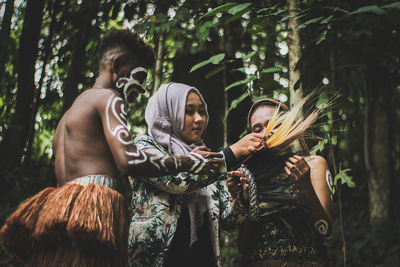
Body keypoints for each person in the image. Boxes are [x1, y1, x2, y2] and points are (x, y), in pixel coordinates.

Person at [0, 29, 221, 267]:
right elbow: (127, 160)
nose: (142, 89)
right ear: (118, 65)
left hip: (63, 210)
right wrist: (187, 161)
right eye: (140, 77)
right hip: (94, 212)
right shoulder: (109, 99)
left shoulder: (70, 113)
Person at [128, 82, 263, 267]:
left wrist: (239, 195)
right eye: (189, 111)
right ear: (168, 113)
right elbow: (176, 182)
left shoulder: (207, 158)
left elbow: (229, 222)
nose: (199, 119)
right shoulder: (143, 147)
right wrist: (232, 153)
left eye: (202, 111)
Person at [228, 98, 333, 267]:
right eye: (258, 128)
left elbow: (326, 232)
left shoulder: (314, 164)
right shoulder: (246, 174)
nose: (267, 132)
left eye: (274, 124)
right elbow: (242, 247)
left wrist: (305, 187)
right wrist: (244, 200)